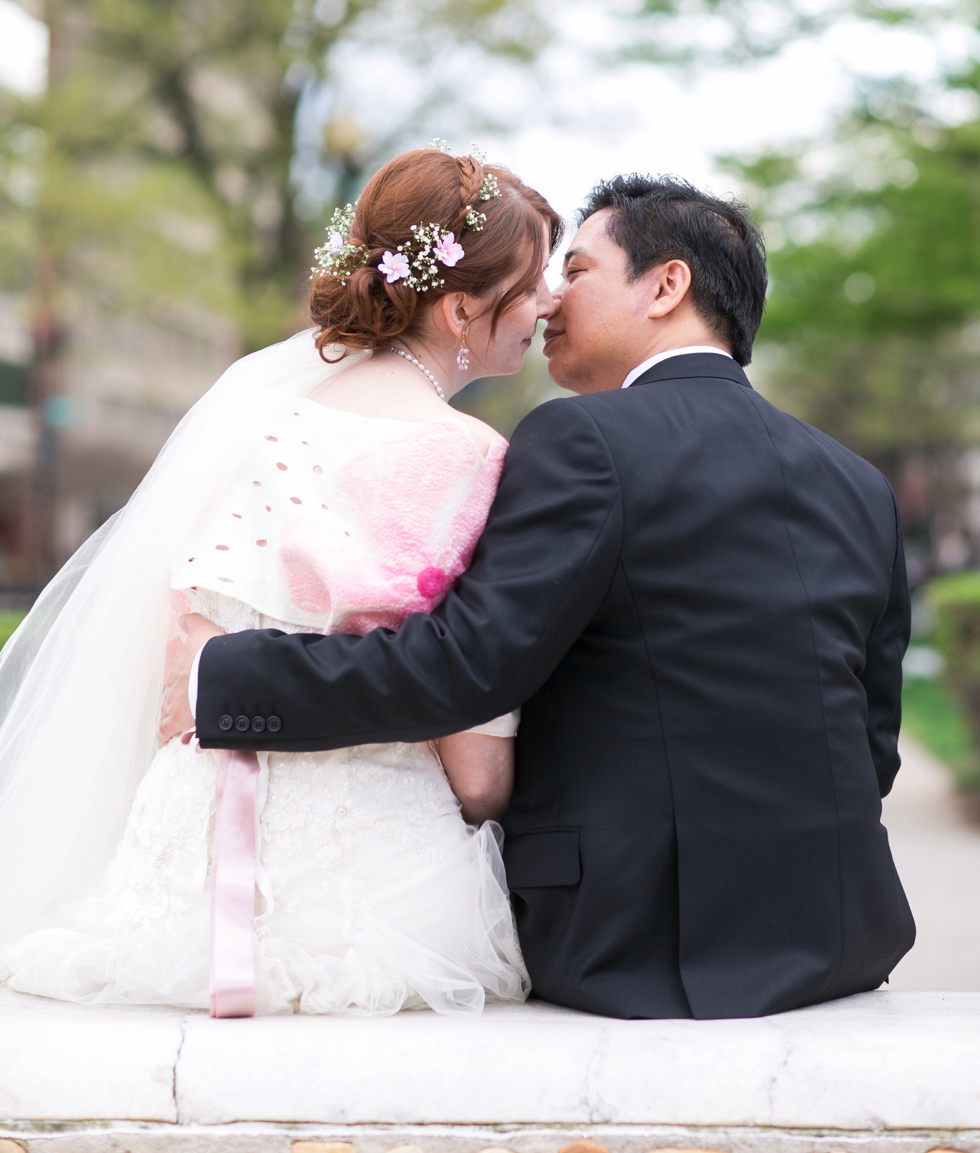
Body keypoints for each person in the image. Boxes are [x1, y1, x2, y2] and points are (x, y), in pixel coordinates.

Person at [163, 174, 916, 1021]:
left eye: (579, 271)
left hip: (638, 942)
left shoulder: (583, 438)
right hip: (843, 930)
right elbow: (871, 744)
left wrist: (224, 676)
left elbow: (466, 666)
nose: (550, 302)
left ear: (666, 286)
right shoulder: (858, 484)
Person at [0, 146, 562, 1017]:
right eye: (529, 288)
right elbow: (473, 748)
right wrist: (487, 792)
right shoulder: (467, 456)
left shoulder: (249, 422)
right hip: (375, 880)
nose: (546, 306)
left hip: (176, 857)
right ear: (461, 308)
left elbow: (174, 647)